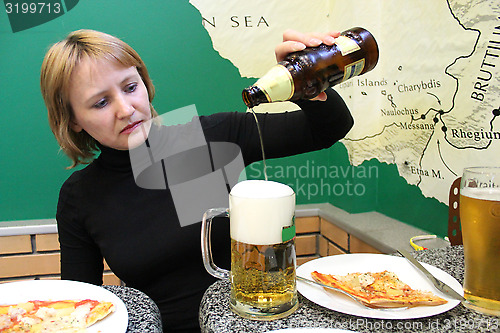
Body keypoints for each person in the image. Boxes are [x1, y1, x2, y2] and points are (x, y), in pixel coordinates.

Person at [40, 28, 353, 332]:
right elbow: (80, 308)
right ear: (73, 120)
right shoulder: (79, 196)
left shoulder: (209, 139)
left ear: (145, 84)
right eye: (101, 102)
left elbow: (331, 127)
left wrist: (305, 78)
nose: (126, 109)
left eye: (130, 87)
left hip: (252, 323)